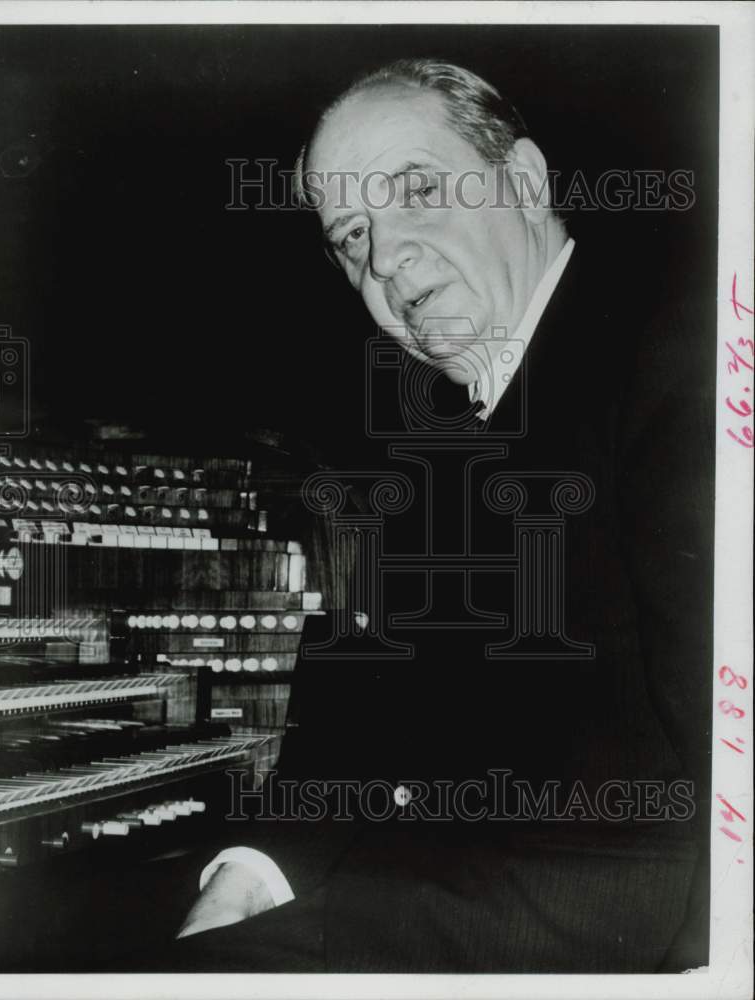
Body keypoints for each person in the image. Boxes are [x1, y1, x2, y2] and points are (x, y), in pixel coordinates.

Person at [160, 59, 714, 973]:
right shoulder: (430, 444)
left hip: (607, 939)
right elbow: (365, 717)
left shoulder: (685, 358)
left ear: (526, 183)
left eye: (416, 190)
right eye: (349, 234)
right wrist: (256, 871)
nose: (382, 258)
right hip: (417, 904)